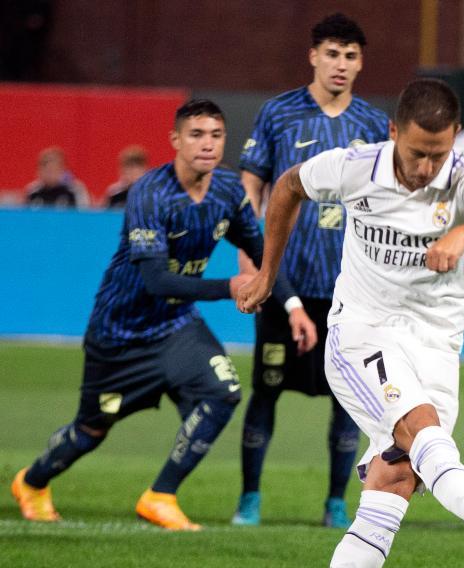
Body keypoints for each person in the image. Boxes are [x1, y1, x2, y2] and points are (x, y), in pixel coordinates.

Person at [236, 79, 464, 568]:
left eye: (439, 153)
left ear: (454, 138)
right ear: (394, 132)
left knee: (396, 479)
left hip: (435, 348)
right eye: (417, 152)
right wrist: (268, 275)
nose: (428, 166)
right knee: (424, 434)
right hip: (362, 334)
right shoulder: (355, 167)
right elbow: (287, 186)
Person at [9, 100, 308, 531]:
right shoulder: (150, 194)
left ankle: (160, 495)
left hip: (175, 326)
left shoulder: (227, 191)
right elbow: (156, 280)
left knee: (222, 392)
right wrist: (228, 287)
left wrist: (293, 305)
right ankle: (33, 482)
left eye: (216, 135)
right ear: (175, 141)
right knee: (89, 431)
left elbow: (263, 253)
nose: (207, 144)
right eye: (196, 135)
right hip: (120, 332)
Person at [234, 13, 391, 528]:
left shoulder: (371, 124)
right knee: (267, 388)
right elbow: (251, 185)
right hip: (284, 281)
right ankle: (250, 499)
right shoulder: (278, 114)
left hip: (350, 286)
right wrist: (249, 258)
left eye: (350, 56)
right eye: (331, 53)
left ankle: (335, 502)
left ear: (360, 62)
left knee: (348, 399)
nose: (340, 64)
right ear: (313, 56)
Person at [25, 146, 90, 207]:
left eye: (54, 170)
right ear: (38, 171)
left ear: (63, 170)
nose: (50, 174)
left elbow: (84, 215)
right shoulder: (32, 191)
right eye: (46, 170)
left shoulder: (75, 190)